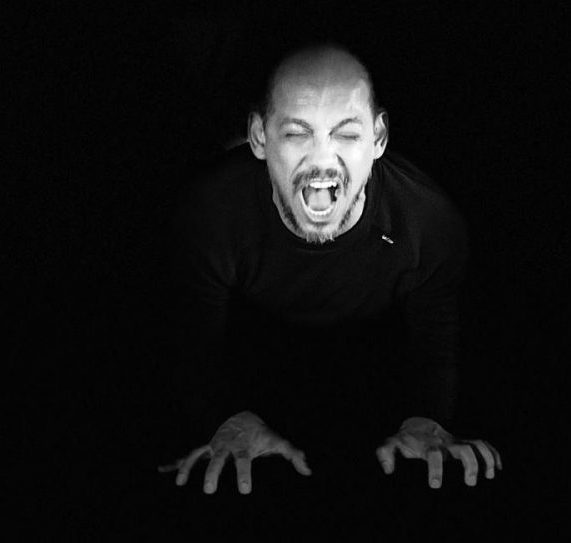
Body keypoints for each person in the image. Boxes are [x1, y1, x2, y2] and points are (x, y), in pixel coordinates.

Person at [158, 42, 502, 497]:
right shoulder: (209, 215)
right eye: (296, 133)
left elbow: (438, 345)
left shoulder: (429, 225)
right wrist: (223, 418)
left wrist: (428, 420)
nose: (322, 159)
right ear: (259, 138)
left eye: (347, 134)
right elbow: (191, 345)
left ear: (378, 139)